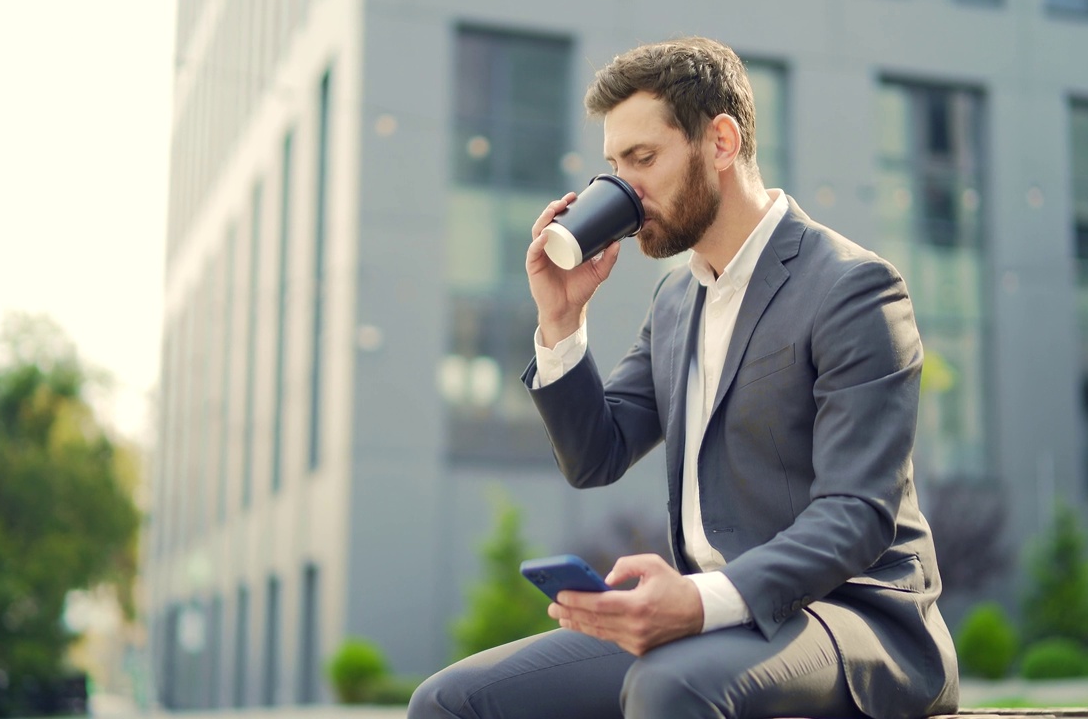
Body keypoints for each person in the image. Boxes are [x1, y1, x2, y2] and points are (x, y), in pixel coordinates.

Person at [409, 36, 959, 719]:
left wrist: (697, 601)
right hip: (715, 624)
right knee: (451, 702)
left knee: (671, 685)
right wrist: (560, 321)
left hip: (852, 618)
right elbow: (595, 456)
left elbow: (857, 515)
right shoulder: (676, 300)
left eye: (643, 160)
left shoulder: (853, 288)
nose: (625, 190)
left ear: (721, 142)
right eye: (614, 164)